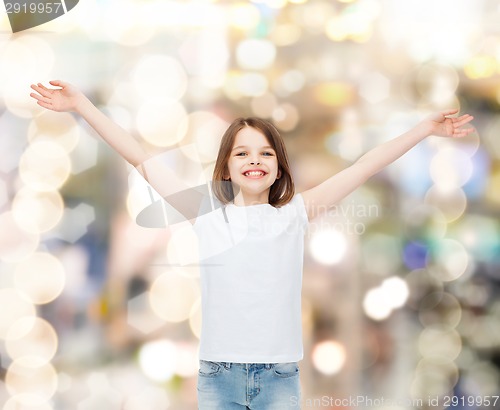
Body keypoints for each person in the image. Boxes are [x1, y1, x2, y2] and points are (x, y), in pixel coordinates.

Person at [30, 80, 474, 409]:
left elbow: (364, 166)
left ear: (279, 166)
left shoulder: (295, 215)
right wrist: (81, 105)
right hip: (218, 379)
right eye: (242, 153)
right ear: (226, 167)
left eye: (265, 153)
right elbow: (141, 159)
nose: (254, 160)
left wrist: (423, 130)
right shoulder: (206, 213)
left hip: (280, 380)